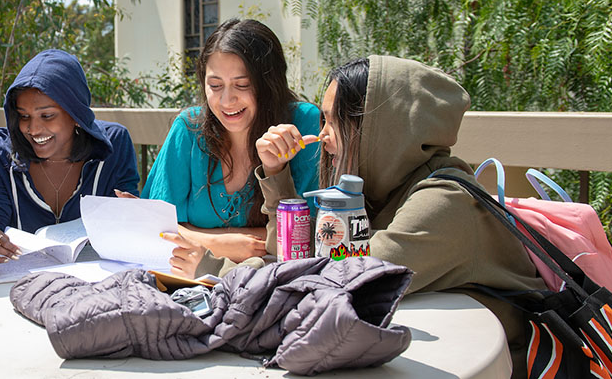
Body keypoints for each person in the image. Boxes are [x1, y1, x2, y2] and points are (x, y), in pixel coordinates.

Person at [168, 55, 544, 375]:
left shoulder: (445, 202)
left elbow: (333, 280)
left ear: (382, 128)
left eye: (334, 122)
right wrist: (277, 175)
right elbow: (299, 259)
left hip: (496, 367)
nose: (323, 138)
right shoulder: (385, 193)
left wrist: (217, 271)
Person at [142, 18, 321, 262]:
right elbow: (153, 227)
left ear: (269, 84)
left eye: (242, 85)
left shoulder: (303, 123)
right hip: (190, 281)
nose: (227, 101)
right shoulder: (188, 128)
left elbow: (308, 234)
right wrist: (218, 244)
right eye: (215, 86)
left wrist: (195, 238)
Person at [0, 49, 140, 264]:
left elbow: (127, 229)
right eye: (24, 116)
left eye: (47, 115)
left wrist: (136, 217)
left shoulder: (115, 144)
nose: (33, 129)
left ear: (76, 113)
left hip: (95, 284)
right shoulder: (1, 152)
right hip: (16, 287)